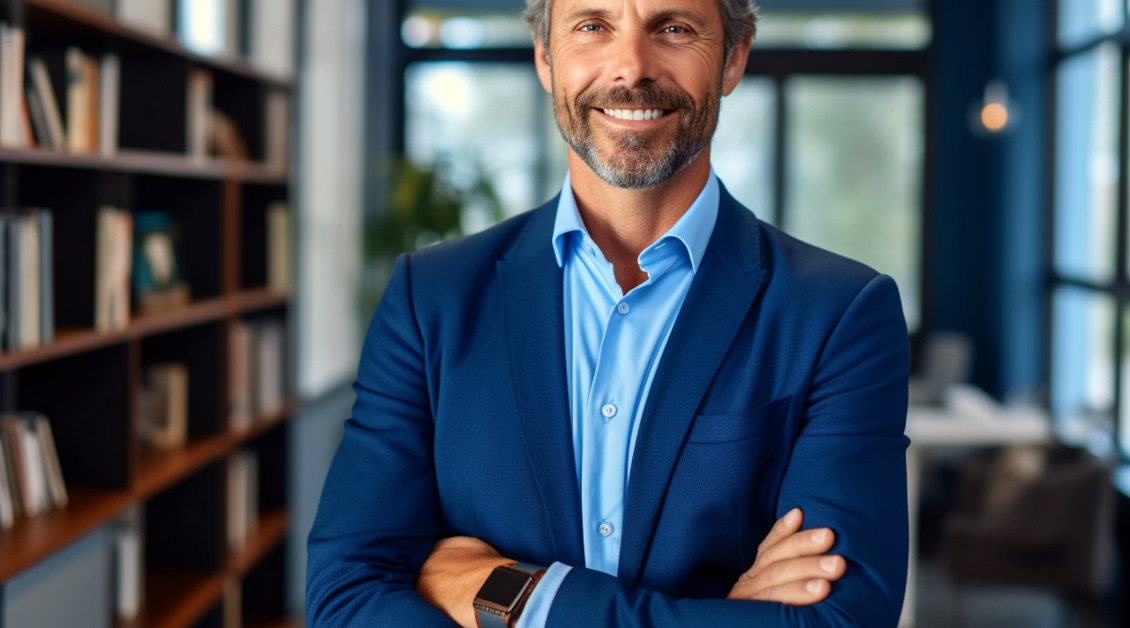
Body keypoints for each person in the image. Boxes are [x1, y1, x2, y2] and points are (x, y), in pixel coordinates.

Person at [305, 0, 911, 625]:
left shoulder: (840, 314)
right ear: (546, 56)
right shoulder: (428, 300)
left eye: (674, 29)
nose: (631, 67)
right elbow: (346, 599)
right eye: (593, 26)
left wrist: (510, 597)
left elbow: (840, 621)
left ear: (733, 57)